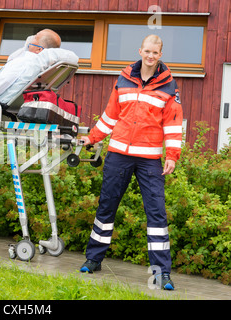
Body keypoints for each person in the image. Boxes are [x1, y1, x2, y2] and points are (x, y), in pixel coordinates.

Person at [79, 35, 183, 290]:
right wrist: (92, 137)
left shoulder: (169, 86)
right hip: (118, 154)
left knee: (156, 213)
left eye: (155, 52)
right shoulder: (124, 78)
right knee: (107, 207)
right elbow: (111, 114)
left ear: (160, 55)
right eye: (146, 51)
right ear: (140, 51)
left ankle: (161, 273)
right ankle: (93, 259)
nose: (150, 55)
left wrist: (172, 156)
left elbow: (173, 124)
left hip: (149, 160)